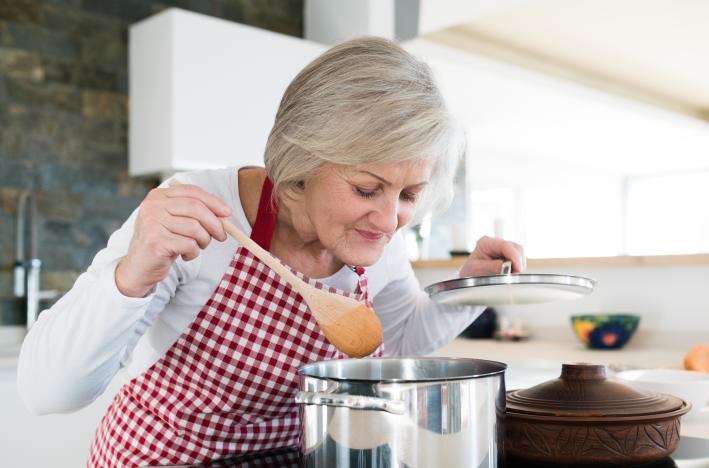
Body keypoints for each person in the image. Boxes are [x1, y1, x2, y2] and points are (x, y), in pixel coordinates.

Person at [17, 37, 525, 467]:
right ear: (302, 160)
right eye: (368, 190)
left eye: (410, 195)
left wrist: (471, 285)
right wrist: (132, 274)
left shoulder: (372, 240)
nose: (390, 219)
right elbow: (49, 391)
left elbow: (400, 340)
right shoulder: (197, 213)